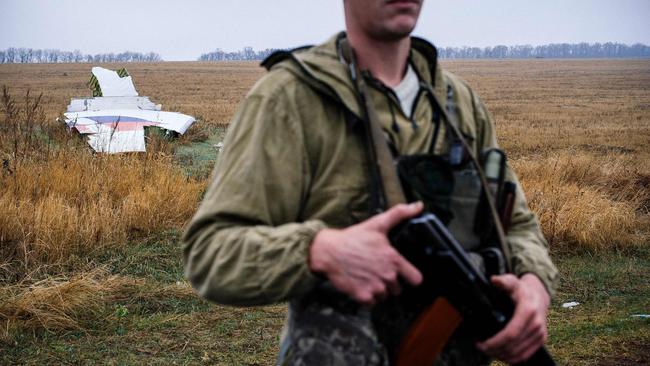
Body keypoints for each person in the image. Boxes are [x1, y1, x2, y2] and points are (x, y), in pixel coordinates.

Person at [183, 0, 559, 364]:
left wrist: (534, 284)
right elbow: (210, 251)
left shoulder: (459, 104)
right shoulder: (290, 99)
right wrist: (319, 250)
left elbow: (517, 226)